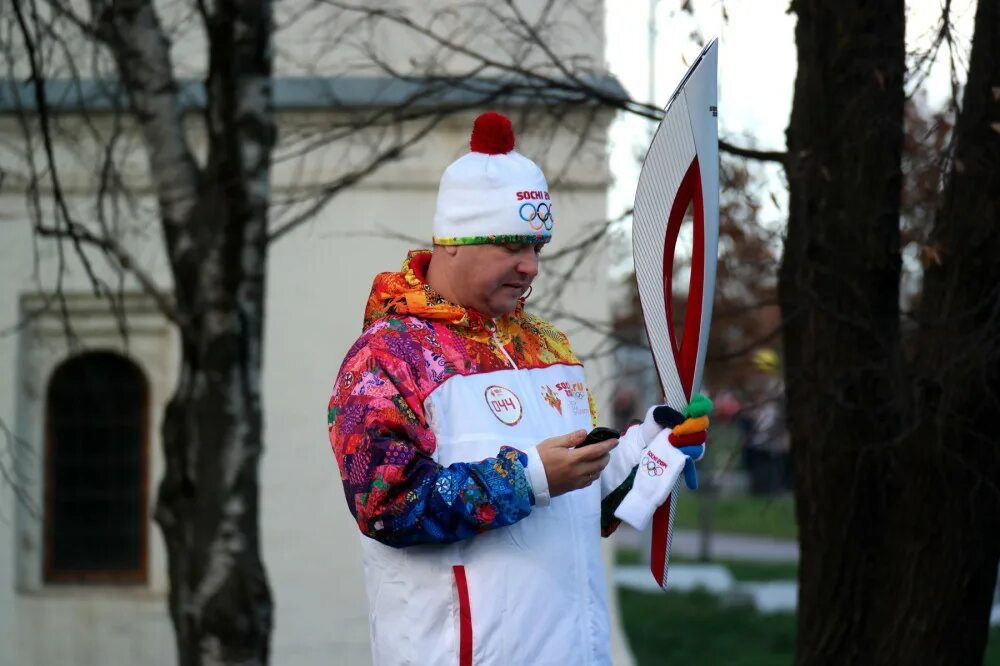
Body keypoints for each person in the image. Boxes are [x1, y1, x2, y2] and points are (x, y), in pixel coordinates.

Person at [327, 112, 710, 665]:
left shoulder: (549, 348)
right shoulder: (388, 357)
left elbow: (582, 510)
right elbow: (385, 505)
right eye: (511, 246)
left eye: (537, 245)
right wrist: (527, 478)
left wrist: (650, 451)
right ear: (453, 241)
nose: (530, 266)